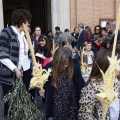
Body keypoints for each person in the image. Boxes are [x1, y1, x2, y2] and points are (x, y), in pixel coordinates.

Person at [0, 9, 35, 117]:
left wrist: (33, 66)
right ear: (21, 20)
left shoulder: (25, 35)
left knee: (25, 100)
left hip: (25, 72)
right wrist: (15, 69)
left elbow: (27, 54)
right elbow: (2, 54)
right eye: (27, 20)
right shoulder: (7, 32)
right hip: (10, 75)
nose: (29, 23)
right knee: (10, 103)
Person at [39, 47, 85, 120]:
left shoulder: (74, 68)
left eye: (66, 64)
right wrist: (41, 90)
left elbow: (81, 84)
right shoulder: (48, 70)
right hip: (56, 106)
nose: (64, 66)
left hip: (71, 105)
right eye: (61, 63)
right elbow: (41, 84)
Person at [78, 49, 120, 120]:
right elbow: (85, 115)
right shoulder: (91, 88)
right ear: (107, 67)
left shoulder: (117, 83)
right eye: (118, 65)